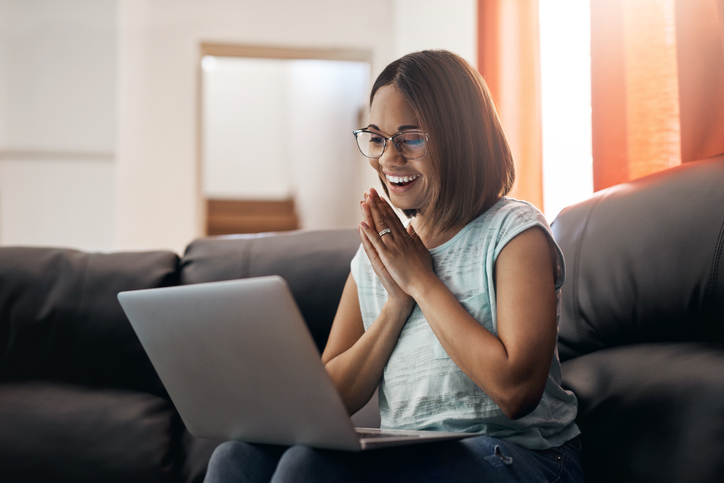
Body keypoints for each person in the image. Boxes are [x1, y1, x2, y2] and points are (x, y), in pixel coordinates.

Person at [204, 50, 583, 483]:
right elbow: (329, 399)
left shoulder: (513, 231)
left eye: (411, 138)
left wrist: (422, 283)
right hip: (416, 453)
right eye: (377, 138)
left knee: (307, 468)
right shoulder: (378, 257)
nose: (388, 158)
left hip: (521, 456)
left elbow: (516, 391)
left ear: (461, 138)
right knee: (234, 458)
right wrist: (395, 306)